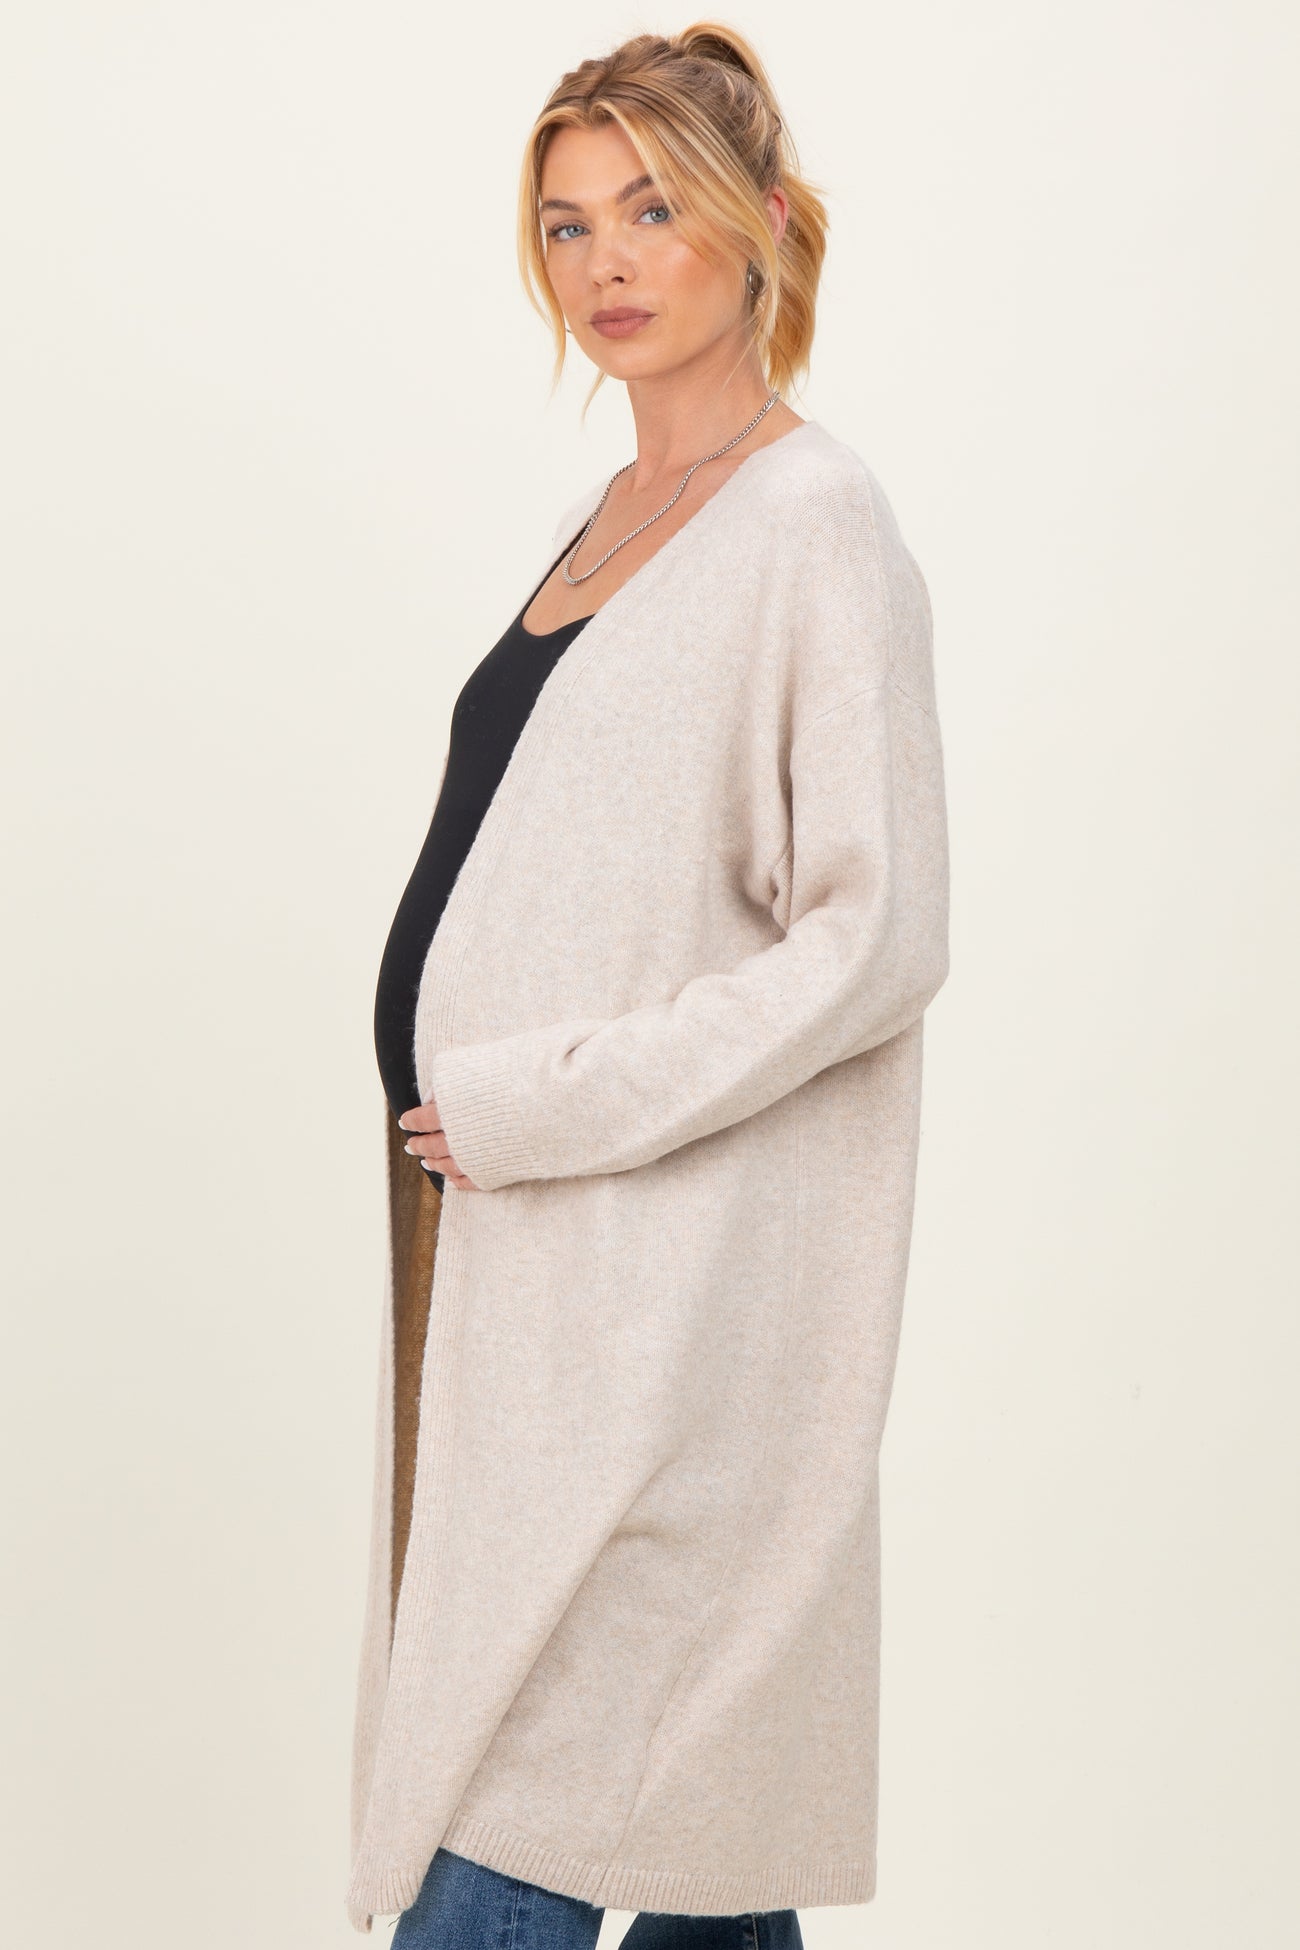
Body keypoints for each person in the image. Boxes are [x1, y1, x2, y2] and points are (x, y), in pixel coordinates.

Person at [351, 21, 950, 1948]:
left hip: (666, 1317)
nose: (606, 261)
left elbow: (872, 935)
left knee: (534, 1811)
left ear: (760, 222)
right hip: (527, 1278)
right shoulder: (604, 523)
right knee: (691, 1847)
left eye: (653, 209)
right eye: (567, 224)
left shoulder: (813, 523)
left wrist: (531, 1104)